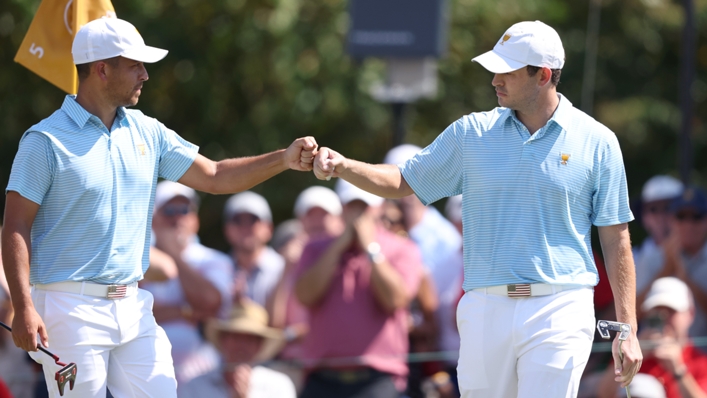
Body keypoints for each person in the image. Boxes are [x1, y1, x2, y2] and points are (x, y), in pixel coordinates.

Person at [313, 20, 642, 397]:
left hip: (561, 306)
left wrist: (628, 328)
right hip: (486, 305)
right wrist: (343, 165)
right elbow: (403, 181)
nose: (494, 80)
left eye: (506, 71)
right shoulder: (471, 133)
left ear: (543, 75)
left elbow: (616, 238)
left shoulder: (598, 142)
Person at [1, 17, 317, 398]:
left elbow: (215, 176)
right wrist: (22, 307)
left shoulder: (148, 131)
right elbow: (15, 226)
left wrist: (283, 159)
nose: (145, 75)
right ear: (102, 69)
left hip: (132, 304)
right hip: (69, 306)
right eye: (135, 64)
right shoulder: (45, 140)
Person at [294, 180, 424, 398]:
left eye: (364, 207)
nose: (358, 214)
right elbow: (305, 295)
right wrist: (339, 246)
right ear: (342, 208)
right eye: (351, 206)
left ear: (379, 207)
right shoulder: (315, 248)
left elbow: (396, 299)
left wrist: (369, 248)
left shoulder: (403, 248)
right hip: (321, 381)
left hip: (378, 381)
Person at [142, 181, 233, 385]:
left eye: (184, 210)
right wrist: (185, 312)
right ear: (153, 219)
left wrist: (172, 252)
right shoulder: (139, 258)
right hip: (148, 368)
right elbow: (132, 310)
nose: (177, 218)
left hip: (202, 373)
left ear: (195, 218)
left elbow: (209, 303)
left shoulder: (215, 260)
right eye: (169, 210)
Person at [597, 277, 707, 398]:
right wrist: (631, 358)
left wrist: (679, 371)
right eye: (657, 311)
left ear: (690, 314)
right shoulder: (633, 351)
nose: (663, 318)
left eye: (671, 311)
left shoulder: (700, 361)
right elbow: (604, 393)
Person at [178, 300, 296, 398]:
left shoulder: (279, 386)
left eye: (250, 339)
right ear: (223, 339)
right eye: (236, 337)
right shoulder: (195, 386)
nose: (242, 345)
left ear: (260, 345)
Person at [660, 187, 707, 343]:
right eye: (681, 216)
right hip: (663, 357)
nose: (688, 224)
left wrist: (682, 273)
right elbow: (636, 312)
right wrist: (667, 268)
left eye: (696, 217)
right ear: (671, 220)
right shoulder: (655, 254)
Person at [224, 191, 284, 310]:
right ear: (227, 229)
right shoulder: (216, 267)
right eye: (238, 220)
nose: (245, 227)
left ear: (269, 229)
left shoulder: (282, 269)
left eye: (253, 220)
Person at [633, 176, 683, 309]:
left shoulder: (700, 251)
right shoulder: (632, 257)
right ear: (644, 216)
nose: (661, 216)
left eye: (668, 207)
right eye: (653, 209)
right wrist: (668, 268)